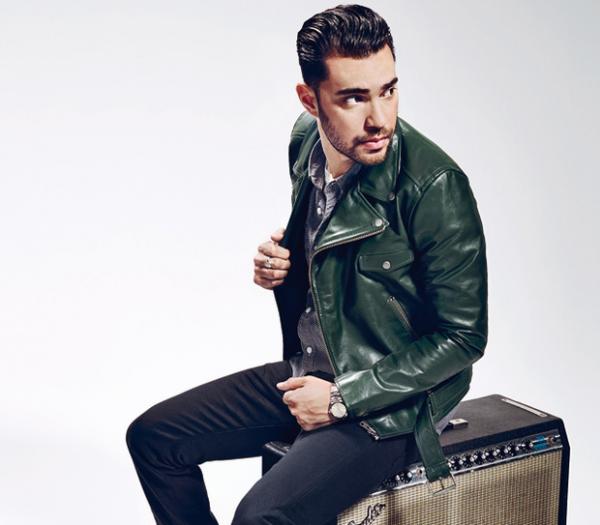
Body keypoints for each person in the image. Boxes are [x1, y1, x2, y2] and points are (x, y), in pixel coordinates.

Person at [126, 4, 487, 525]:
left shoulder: (434, 186)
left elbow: (464, 337)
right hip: (317, 365)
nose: (379, 119)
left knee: (260, 516)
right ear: (309, 100)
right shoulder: (306, 144)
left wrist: (342, 399)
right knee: (155, 438)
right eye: (354, 98)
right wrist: (282, 268)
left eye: (388, 90)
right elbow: (336, 260)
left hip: (396, 401)